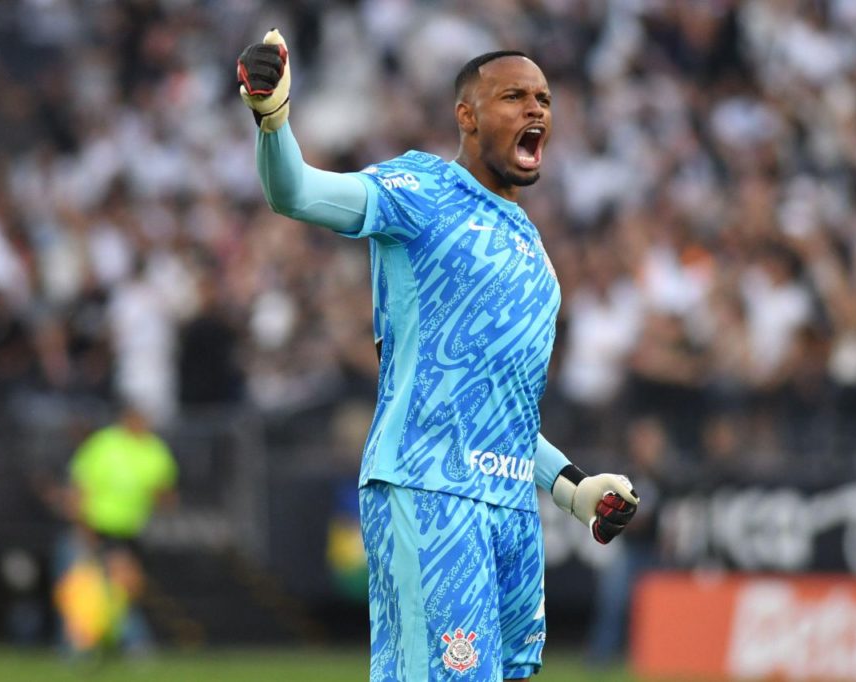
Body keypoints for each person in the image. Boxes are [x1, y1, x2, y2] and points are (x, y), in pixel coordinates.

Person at [237, 29, 640, 682]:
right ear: (468, 115)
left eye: (543, 97)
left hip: (511, 505)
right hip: (429, 489)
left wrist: (574, 490)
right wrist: (273, 119)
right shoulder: (420, 189)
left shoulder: (535, 254)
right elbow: (297, 193)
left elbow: (500, 412)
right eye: (514, 96)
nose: (537, 109)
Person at [55, 404, 178, 654]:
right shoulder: (104, 445)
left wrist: (159, 500)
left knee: (120, 589)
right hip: (97, 526)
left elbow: (165, 492)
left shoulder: (154, 450)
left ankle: (105, 642)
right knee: (88, 587)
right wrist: (82, 525)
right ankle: (117, 644)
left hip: (129, 530)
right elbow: (80, 486)